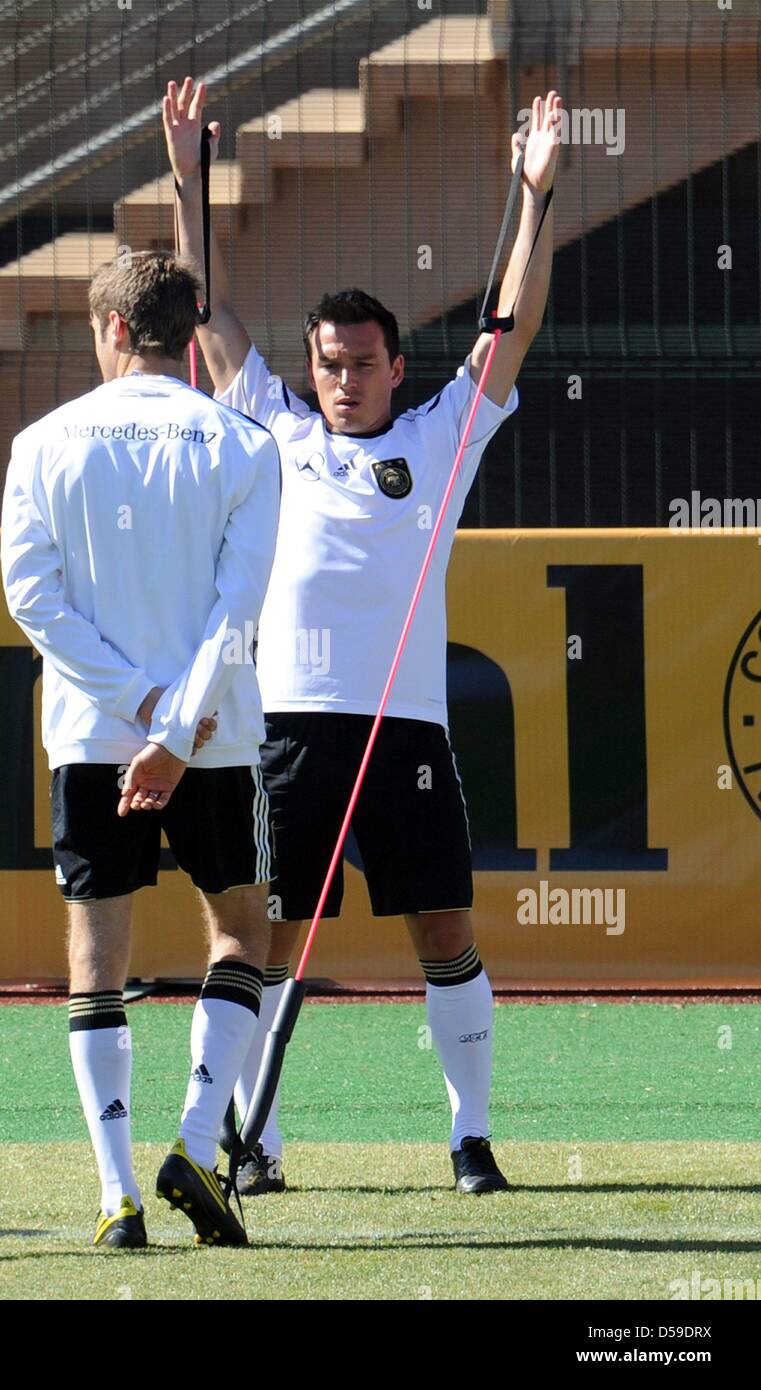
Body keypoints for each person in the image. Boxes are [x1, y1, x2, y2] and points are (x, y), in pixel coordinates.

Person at [165, 76, 561, 1195]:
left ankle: (470, 1136)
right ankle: (257, 1145)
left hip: (408, 730)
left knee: (444, 928)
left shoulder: (444, 435)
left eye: (363, 362)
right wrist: (189, 173)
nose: (344, 379)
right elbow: (202, 310)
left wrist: (535, 195)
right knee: (272, 938)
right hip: (288, 728)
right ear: (311, 366)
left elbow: (514, 320)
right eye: (328, 362)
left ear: (397, 365)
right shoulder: (273, 423)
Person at [0, 249, 281, 1246]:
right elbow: (237, 611)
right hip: (215, 736)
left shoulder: (42, 442)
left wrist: (139, 708)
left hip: (90, 735)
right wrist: (174, 727)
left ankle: (117, 1196)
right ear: (187, 328)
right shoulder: (244, 443)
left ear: (115, 329)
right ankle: (197, 1141)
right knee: (244, 932)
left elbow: (33, 600)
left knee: (97, 958)